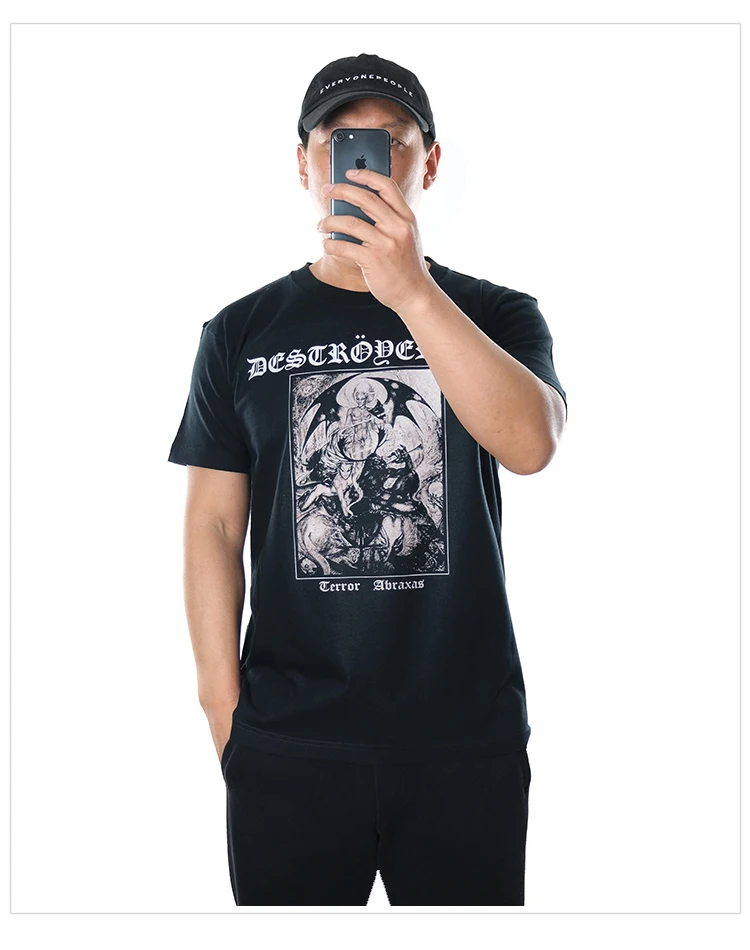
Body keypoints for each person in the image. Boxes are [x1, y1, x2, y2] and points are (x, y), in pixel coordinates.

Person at [168, 52, 567, 907]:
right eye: (338, 143)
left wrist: (410, 290)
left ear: (429, 162)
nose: (362, 164)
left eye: (390, 142)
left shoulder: (497, 314)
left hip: (465, 741)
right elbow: (212, 527)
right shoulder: (238, 332)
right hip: (289, 741)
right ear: (303, 163)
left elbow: (531, 445)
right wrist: (222, 709)